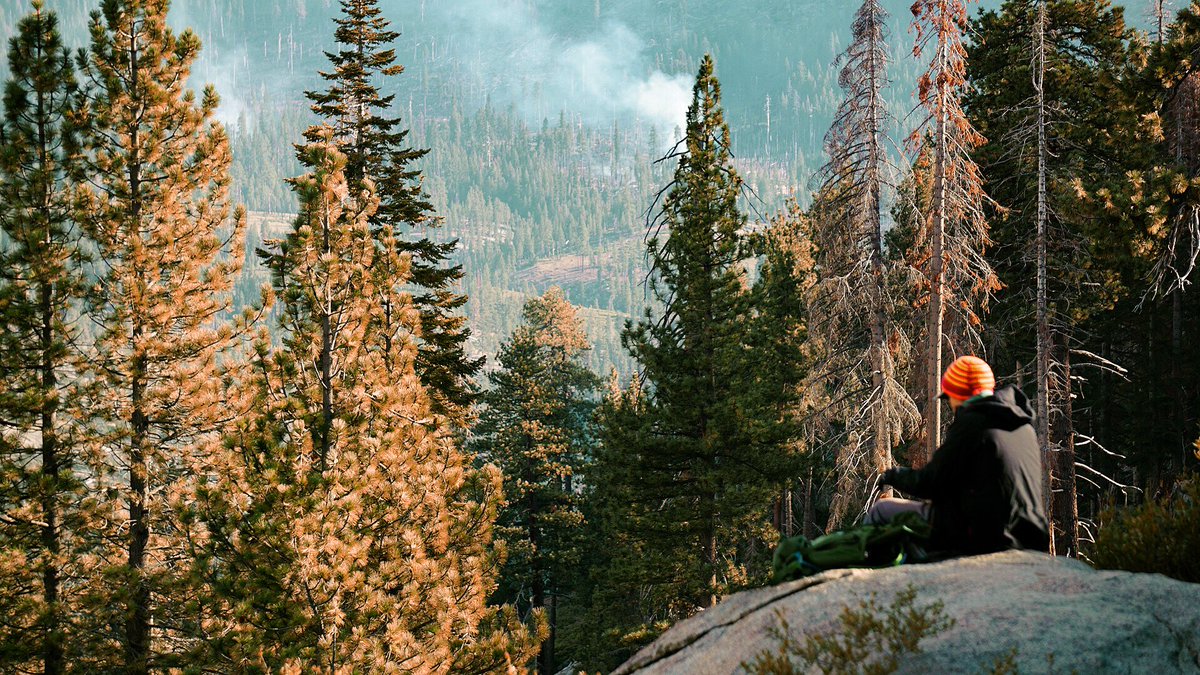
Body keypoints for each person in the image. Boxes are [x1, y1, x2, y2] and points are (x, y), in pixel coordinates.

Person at [868, 355, 1050, 555]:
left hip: (987, 538)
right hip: (1031, 539)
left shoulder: (973, 423)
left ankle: (868, 582)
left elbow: (932, 483)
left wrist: (893, 476)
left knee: (881, 511)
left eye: (949, 397)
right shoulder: (1022, 425)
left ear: (958, 395)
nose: (950, 404)